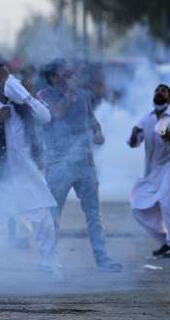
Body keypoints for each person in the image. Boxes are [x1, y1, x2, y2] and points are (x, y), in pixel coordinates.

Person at [0, 64, 62, 280]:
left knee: (43, 220)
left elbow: (46, 117)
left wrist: (26, 97)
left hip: (25, 173)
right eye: (4, 79)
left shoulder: (21, 103)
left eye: (10, 78)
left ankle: (51, 264)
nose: (10, 82)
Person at [37, 59, 121, 272]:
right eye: (65, 75)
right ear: (53, 77)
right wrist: (68, 95)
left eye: (70, 74)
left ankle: (102, 259)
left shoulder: (82, 95)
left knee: (94, 214)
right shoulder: (43, 96)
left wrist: (98, 132)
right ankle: (48, 260)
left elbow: (92, 121)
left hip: (85, 162)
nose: (71, 78)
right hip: (58, 163)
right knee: (53, 214)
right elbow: (53, 115)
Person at [129, 84, 170, 259]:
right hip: (153, 169)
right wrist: (134, 133)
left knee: (165, 200)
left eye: (163, 91)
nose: (159, 93)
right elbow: (133, 143)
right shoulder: (146, 118)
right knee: (138, 204)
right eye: (156, 90)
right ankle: (167, 240)